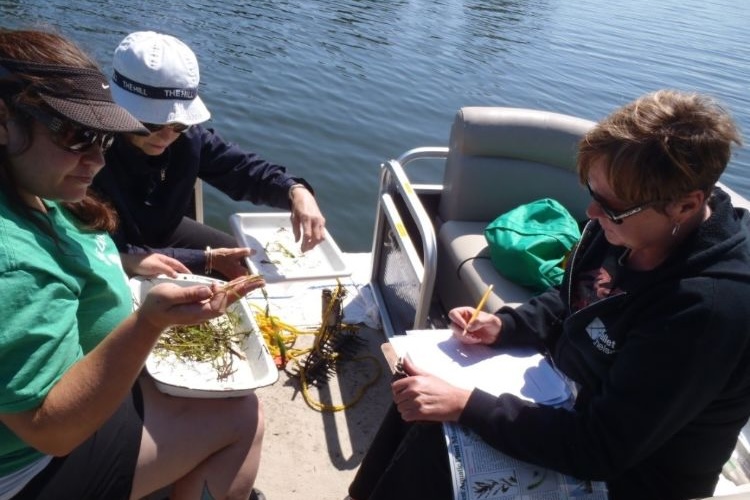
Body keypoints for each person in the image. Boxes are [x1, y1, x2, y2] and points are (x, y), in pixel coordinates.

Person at [348, 90, 750, 500]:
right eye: (592, 194)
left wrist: (468, 405)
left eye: (611, 206)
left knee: (440, 443)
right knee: (418, 387)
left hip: (633, 475)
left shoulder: (707, 309)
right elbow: (572, 297)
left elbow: (602, 448)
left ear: (686, 205)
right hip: (568, 397)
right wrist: (505, 326)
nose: (592, 215)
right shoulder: (624, 227)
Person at [0, 28, 268, 500]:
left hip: (93, 396)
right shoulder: (11, 262)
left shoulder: (45, 188)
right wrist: (147, 323)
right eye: (78, 136)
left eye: (106, 137)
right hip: (32, 468)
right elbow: (51, 431)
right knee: (243, 416)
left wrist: (134, 272)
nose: (98, 160)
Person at [91, 30, 326, 281]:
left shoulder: (190, 139)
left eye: (179, 124)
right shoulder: (86, 151)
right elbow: (99, 250)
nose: (167, 136)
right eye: (152, 124)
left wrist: (296, 191)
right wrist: (206, 259)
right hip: (107, 250)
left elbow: (243, 169)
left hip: (162, 232)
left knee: (247, 265)